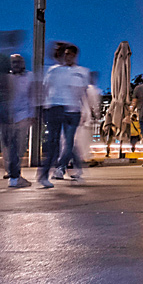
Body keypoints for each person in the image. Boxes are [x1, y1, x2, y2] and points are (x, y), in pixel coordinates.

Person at [37, 42, 90, 188]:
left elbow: (83, 93)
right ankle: (50, 171)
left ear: (75, 56)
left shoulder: (81, 72)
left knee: (68, 142)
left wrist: (86, 111)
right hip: (56, 108)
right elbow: (45, 90)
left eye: (70, 54)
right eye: (65, 54)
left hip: (73, 111)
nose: (67, 57)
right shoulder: (54, 71)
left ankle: (60, 168)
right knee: (54, 142)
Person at [0, 53, 33, 188]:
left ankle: (14, 173)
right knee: (8, 145)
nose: (16, 65)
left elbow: (32, 96)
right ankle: (12, 172)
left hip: (22, 115)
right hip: (6, 116)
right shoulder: (5, 78)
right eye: (13, 62)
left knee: (19, 146)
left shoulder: (29, 77)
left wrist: (32, 114)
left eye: (18, 62)